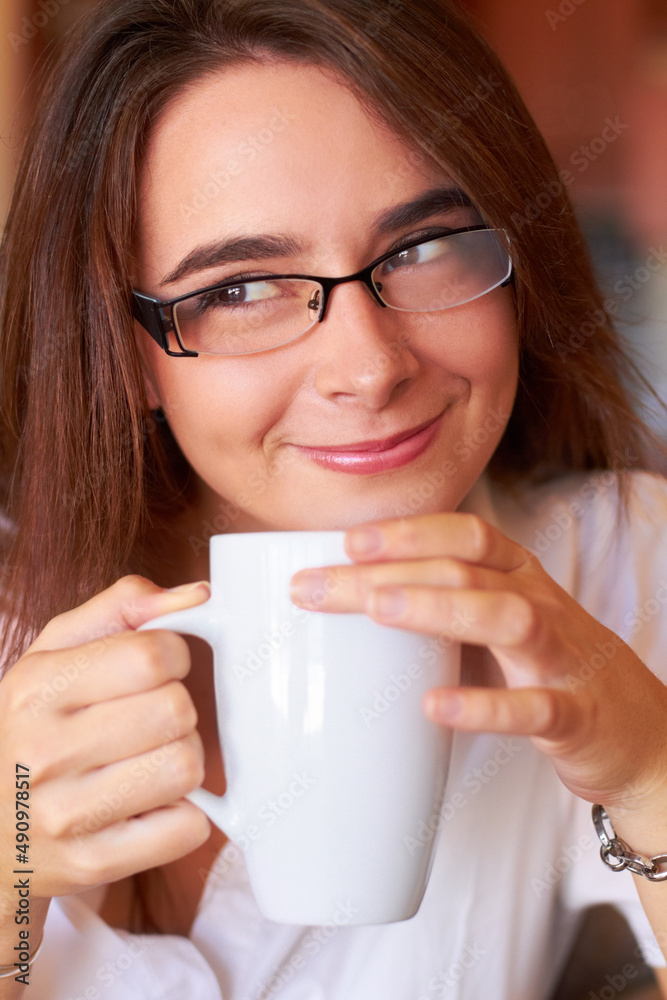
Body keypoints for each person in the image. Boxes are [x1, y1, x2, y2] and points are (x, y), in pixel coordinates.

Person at [0, 0, 665, 997]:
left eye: (423, 246)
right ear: (126, 351)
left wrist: (653, 774)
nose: (368, 366)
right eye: (236, 288)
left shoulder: (607, 565)